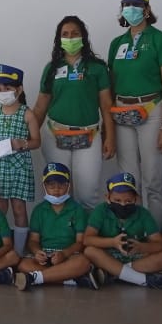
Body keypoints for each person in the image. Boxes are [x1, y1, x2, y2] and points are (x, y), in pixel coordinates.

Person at [106, 0, 162, 228]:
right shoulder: (117, 43)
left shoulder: (161, 39)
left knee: (153, 179)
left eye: (136, 4)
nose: (131, 9)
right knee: (127, 182)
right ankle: (132, 232)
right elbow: (111, 85)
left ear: (146, 9)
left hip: (152, 109)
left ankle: (155, 235)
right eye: (126, 4)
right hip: (122, 111)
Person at [32, 16, 115, 211]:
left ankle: (88, 230)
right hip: (55, 136)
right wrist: (27, 137)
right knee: (59, 191)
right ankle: (63, 229)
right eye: (65, 34)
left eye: (75, 33)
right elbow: (40, 108)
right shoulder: (51, 69)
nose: (70, 38)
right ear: (59, 39)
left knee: (87, 192)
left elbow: (106, 105)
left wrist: (110, 137)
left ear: (83, 37)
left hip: (89, 136)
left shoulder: (97, 68)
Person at [0, 64, 40, 255]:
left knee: (19, 208)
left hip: (19, 167)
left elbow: (36, 141)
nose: (3, 92)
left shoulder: (27, 113)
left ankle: (19, 251)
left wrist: (22, 143)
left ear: (19, 89)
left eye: (7, 88)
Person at [82, 172, 162, 289]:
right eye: (117, 200)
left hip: (134, 257)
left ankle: (112, 273)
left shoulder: (143, 213)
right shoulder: (101, 210)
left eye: (128, 201)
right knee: (90, 251)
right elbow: (87, 240)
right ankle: (142, 280)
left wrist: (141, 247)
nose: (123, 204)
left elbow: (161, 245)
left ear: (136, 199)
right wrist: (112, 242)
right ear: (107, 198)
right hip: (109, 254)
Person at [13, 163, 93, 291]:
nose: (56, 190)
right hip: (46, 257)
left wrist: (64, 254)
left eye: (61, 185)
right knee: (23, 264)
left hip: (69, 255)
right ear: (44, 186)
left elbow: (80, 242)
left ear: (68, 186)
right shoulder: (39, 210)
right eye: (51, 186)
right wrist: (37, 252)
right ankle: (70, 280)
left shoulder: (77, 210)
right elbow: (33, 241)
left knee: (83, 262)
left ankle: (36, 278)